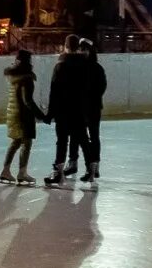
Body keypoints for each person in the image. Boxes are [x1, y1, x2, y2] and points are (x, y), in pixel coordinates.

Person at [43, 35, 90, 188]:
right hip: (80, 110)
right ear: (78, 47)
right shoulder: (85, 65)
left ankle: (58, 172)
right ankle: (91, 170)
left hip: (63, 111)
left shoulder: (60, 66)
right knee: (83, 139)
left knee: (62, 141)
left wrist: (50, 114)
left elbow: (54, 92)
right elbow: (90, 89)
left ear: (65, 46)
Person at [0, 50, 45, 185]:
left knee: (16, 142)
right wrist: (41, 115)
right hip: (23, 115)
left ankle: (6, 171)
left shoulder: (14, 76)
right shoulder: (26, 78)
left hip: (13, 112)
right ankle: (22, 172)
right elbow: (28, 101)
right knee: (27, 142)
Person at [79, 38, 107, 184]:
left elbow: (102, 87)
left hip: (93, 107)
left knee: (94, 136)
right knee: (83, 139)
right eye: (81, 49)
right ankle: (89, 167)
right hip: (81, 108)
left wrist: (91, 98)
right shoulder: (78, 68)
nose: (83, 52)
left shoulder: (97, 68)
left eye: (85, 49)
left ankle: (94, 166)